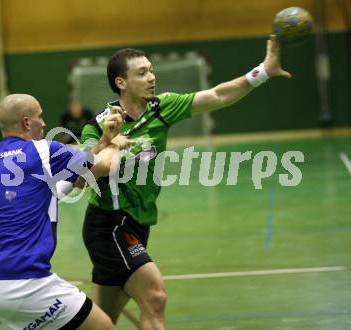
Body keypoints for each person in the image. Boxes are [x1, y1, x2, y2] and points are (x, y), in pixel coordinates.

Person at [80, 35, 291, 329]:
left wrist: (263, 71)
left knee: (102, 321)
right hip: (109, 225)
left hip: (139, 223)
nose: (152, 77)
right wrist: (109, 142)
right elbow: (82, 172)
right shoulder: (99, 125)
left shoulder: (162, 107)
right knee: (155, 296)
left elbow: (217, 95)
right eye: (142, 73)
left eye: (151, 70)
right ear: (121, 83)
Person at [0, 94, 123, 330]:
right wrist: (115, 143)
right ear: (26, 123)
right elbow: (100, 167)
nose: (44, 122)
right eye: (39, 116)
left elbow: (76, 175)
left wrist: (103, 140)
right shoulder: (42, 151)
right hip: (19, 278)